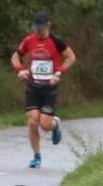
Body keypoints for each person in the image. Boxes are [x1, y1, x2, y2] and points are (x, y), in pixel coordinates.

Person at [11, 11, 76, 168]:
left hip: (49, 87)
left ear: (48, 25)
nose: (38, 31)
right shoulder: (29, 40)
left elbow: (71, 57)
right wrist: (20, 70)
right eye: (36, 27)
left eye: (40, 27)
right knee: (33, 122)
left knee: (45, 125)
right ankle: (36, 156)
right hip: (33, 86)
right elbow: (15, 56)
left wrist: (59, 72)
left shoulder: (56, 41)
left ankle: (55, 125)